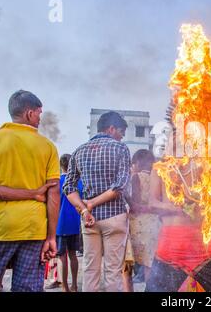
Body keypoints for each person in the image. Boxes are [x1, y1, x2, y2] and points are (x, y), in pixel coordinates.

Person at [0, 90, 60, 292]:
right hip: (33, 229)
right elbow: (53, 194)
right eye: (39, 113)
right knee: (27, 288)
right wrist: (51, 237)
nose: (40, 119)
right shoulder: (48, 147)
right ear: (29, 113)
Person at [144, 136, 211, 292]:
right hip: (171, 247)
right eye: (171, 145)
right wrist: (175, 208)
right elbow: (152, 203)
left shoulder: (202, 168)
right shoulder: (160, 170)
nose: (175, 149)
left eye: (179, 144)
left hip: (201, 245)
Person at [63, 111, 131, 292]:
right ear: (111, 128)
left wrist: (85, 209)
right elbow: (120, 186)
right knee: (113, 271)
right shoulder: (120, 148)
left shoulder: (79, 150)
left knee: (90, 270)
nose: (122, 137)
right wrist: (91, 204)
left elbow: (68, 187)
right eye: (121, 132)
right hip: (114, 217)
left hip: (89, 219)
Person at [124, 149, 161, 286]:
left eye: (134, 163)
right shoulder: (158, 178)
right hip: (154, 223)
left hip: (138, 224)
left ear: (138, 162)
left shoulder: (136, 177)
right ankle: (150, 288)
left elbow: (136, 203)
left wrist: (127, 198)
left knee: (127, 260)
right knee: (149, 263)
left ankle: (128, 287)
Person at [56, 154, 82, 292]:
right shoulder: (78, 182)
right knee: (73, 255)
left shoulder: (57, 181)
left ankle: (65, 287)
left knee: (62, 256)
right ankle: (75, 285)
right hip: (75, 223)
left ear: (61, 165)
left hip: (60, 224)